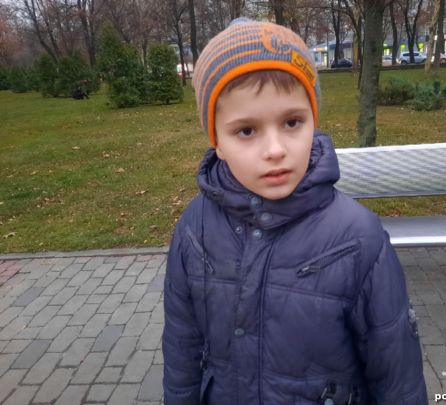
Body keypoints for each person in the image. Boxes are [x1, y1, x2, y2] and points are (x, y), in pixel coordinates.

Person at [162, 17, 428, 405]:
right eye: (246, 131)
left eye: (291, 122)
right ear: (217, 141)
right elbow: (181, 347)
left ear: (313, 122)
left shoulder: (358, 238)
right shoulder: (194, 228)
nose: (275, 150)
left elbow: (396, 373)